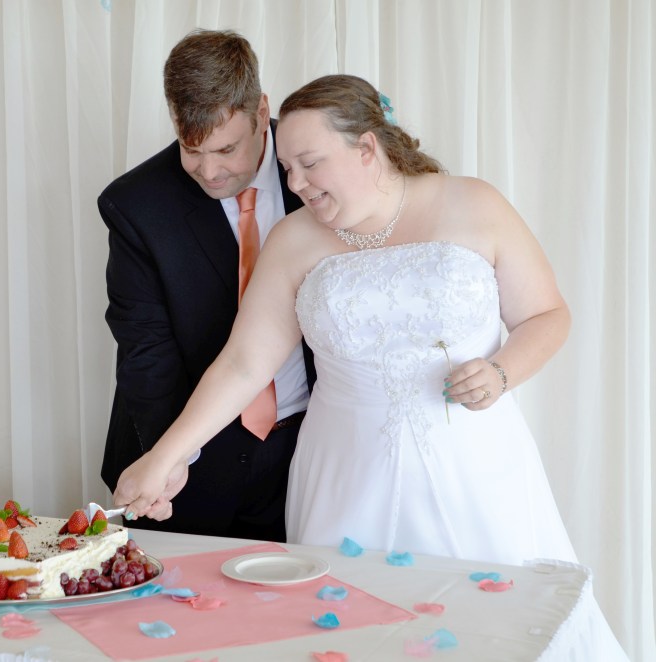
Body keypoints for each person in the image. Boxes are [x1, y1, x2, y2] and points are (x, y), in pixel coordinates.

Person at [112, 73, 582, 566]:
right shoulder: (292, 240)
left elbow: (547, 315)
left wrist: (502, 372)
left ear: (366, 148)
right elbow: (244, 365)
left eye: (310, 164)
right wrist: (163, 458)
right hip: (344, 475)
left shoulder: (475, 202)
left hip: (476, 466)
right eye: (287, 168)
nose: (295, 184)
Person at [99, 29, 315, 542]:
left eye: (226, 148)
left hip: (311, 448)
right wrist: (170, 458)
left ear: (262, 113)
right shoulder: (135, 204)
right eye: (190, 149)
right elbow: (145, 351)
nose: (210, 171)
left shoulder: (321, 173)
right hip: (185, 465)